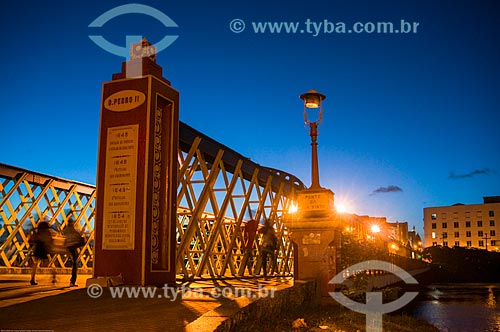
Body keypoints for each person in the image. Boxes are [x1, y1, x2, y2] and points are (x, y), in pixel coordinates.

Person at [30, 220, 53, 285]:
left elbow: (34, 238)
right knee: (49, 262)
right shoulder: (47, 232)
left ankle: (32, 278)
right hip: (43, 248)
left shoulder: (38, 232)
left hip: (37, 248)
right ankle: (52, 276)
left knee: (35, 264)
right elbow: (50, 239)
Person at [64, 218, 84, 287]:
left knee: (74, 263)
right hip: (73, 248)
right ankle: (73, 281)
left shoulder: (65, 230)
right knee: (75, 264)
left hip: (67, 248)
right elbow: (79, 237)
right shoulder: (74, 230)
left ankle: (72, 281)